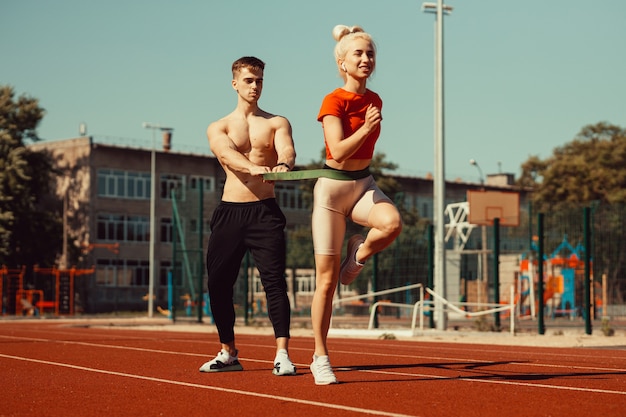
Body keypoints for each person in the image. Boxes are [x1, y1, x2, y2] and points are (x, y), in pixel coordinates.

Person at [309, 25, 403, 385]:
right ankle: (320, 356)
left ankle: (358, 254)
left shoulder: (375, 99)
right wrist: (364, 129)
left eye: (370, 54)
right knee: (326, 281)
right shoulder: (333, 100)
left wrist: (367, 126)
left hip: (363, 183)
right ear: (342, 62)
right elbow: (337, 150)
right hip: (332, 190)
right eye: (359, 54)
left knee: (391, 223)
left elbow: (361, 156)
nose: (366, 59)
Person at [199, 56, 297, 376]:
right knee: (218, 283)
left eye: (259, 81)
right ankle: (228, 352)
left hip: (264, 213)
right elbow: (226, 153)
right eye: (249, 81)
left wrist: (282, 166)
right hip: (230, 212)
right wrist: (254, 167)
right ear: (235, 84)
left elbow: (287, 151)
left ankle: (282, 354)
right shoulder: (219, 126)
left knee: (274, 283)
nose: (255, 86)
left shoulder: (276, 122)